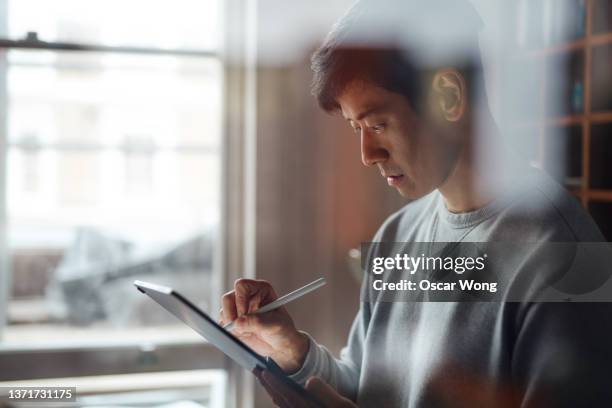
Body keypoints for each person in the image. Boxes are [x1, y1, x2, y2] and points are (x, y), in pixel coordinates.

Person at [219, 0, 612, 406]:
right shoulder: (398, 233)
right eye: (356, 128)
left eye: (377, 124)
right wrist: (290, 350)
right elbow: (367, 385)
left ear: (448, 97)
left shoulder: (569, 258)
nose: (367, 154)